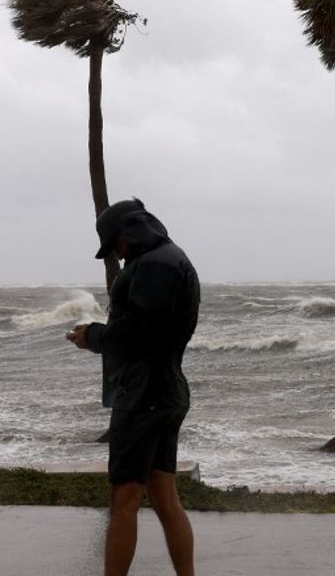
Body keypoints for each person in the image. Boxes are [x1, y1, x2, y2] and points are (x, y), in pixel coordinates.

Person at [66, 198, 199, 576]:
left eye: (115, 245)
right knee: (164, 496)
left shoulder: (155, 265)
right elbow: (149, 330)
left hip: (144, 396)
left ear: (130, 233)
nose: (117, 255)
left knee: (123, 498)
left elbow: (137, 334)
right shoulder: (170, 258)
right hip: (166, 391)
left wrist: (91, 335)